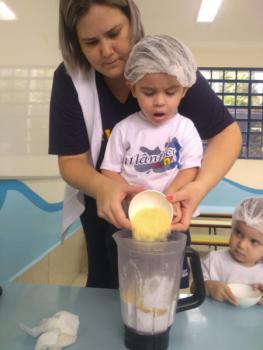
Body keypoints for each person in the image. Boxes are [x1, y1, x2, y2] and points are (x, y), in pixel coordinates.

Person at [49, 0, 241, 288]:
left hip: (172, 213)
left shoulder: (170, 65)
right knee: (110, 291)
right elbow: (72, 161)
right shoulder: (71, 79)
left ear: (133, 22)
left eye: (114, 33)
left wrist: (197, 187)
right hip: (110, 214)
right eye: (90, 42)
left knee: (168, 288)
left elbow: (228, 134)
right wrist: (104, 186)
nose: (106, 51)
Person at [101, 34, 203, 226]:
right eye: (148, 92)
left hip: (173, 217)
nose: (159, 102)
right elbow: (109, 171)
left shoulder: (185, 128)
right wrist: (131, 194)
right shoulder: (124, 129)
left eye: (170, 92)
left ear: (184, 91)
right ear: (133, 89)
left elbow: (190, 169)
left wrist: (170, 195)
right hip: (131, 218)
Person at [201, 197, 263, 305]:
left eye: (254, 242)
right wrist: (208, 286)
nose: (242, 245)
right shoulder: (213, 260)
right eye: (238, 233)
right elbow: (194, 288)